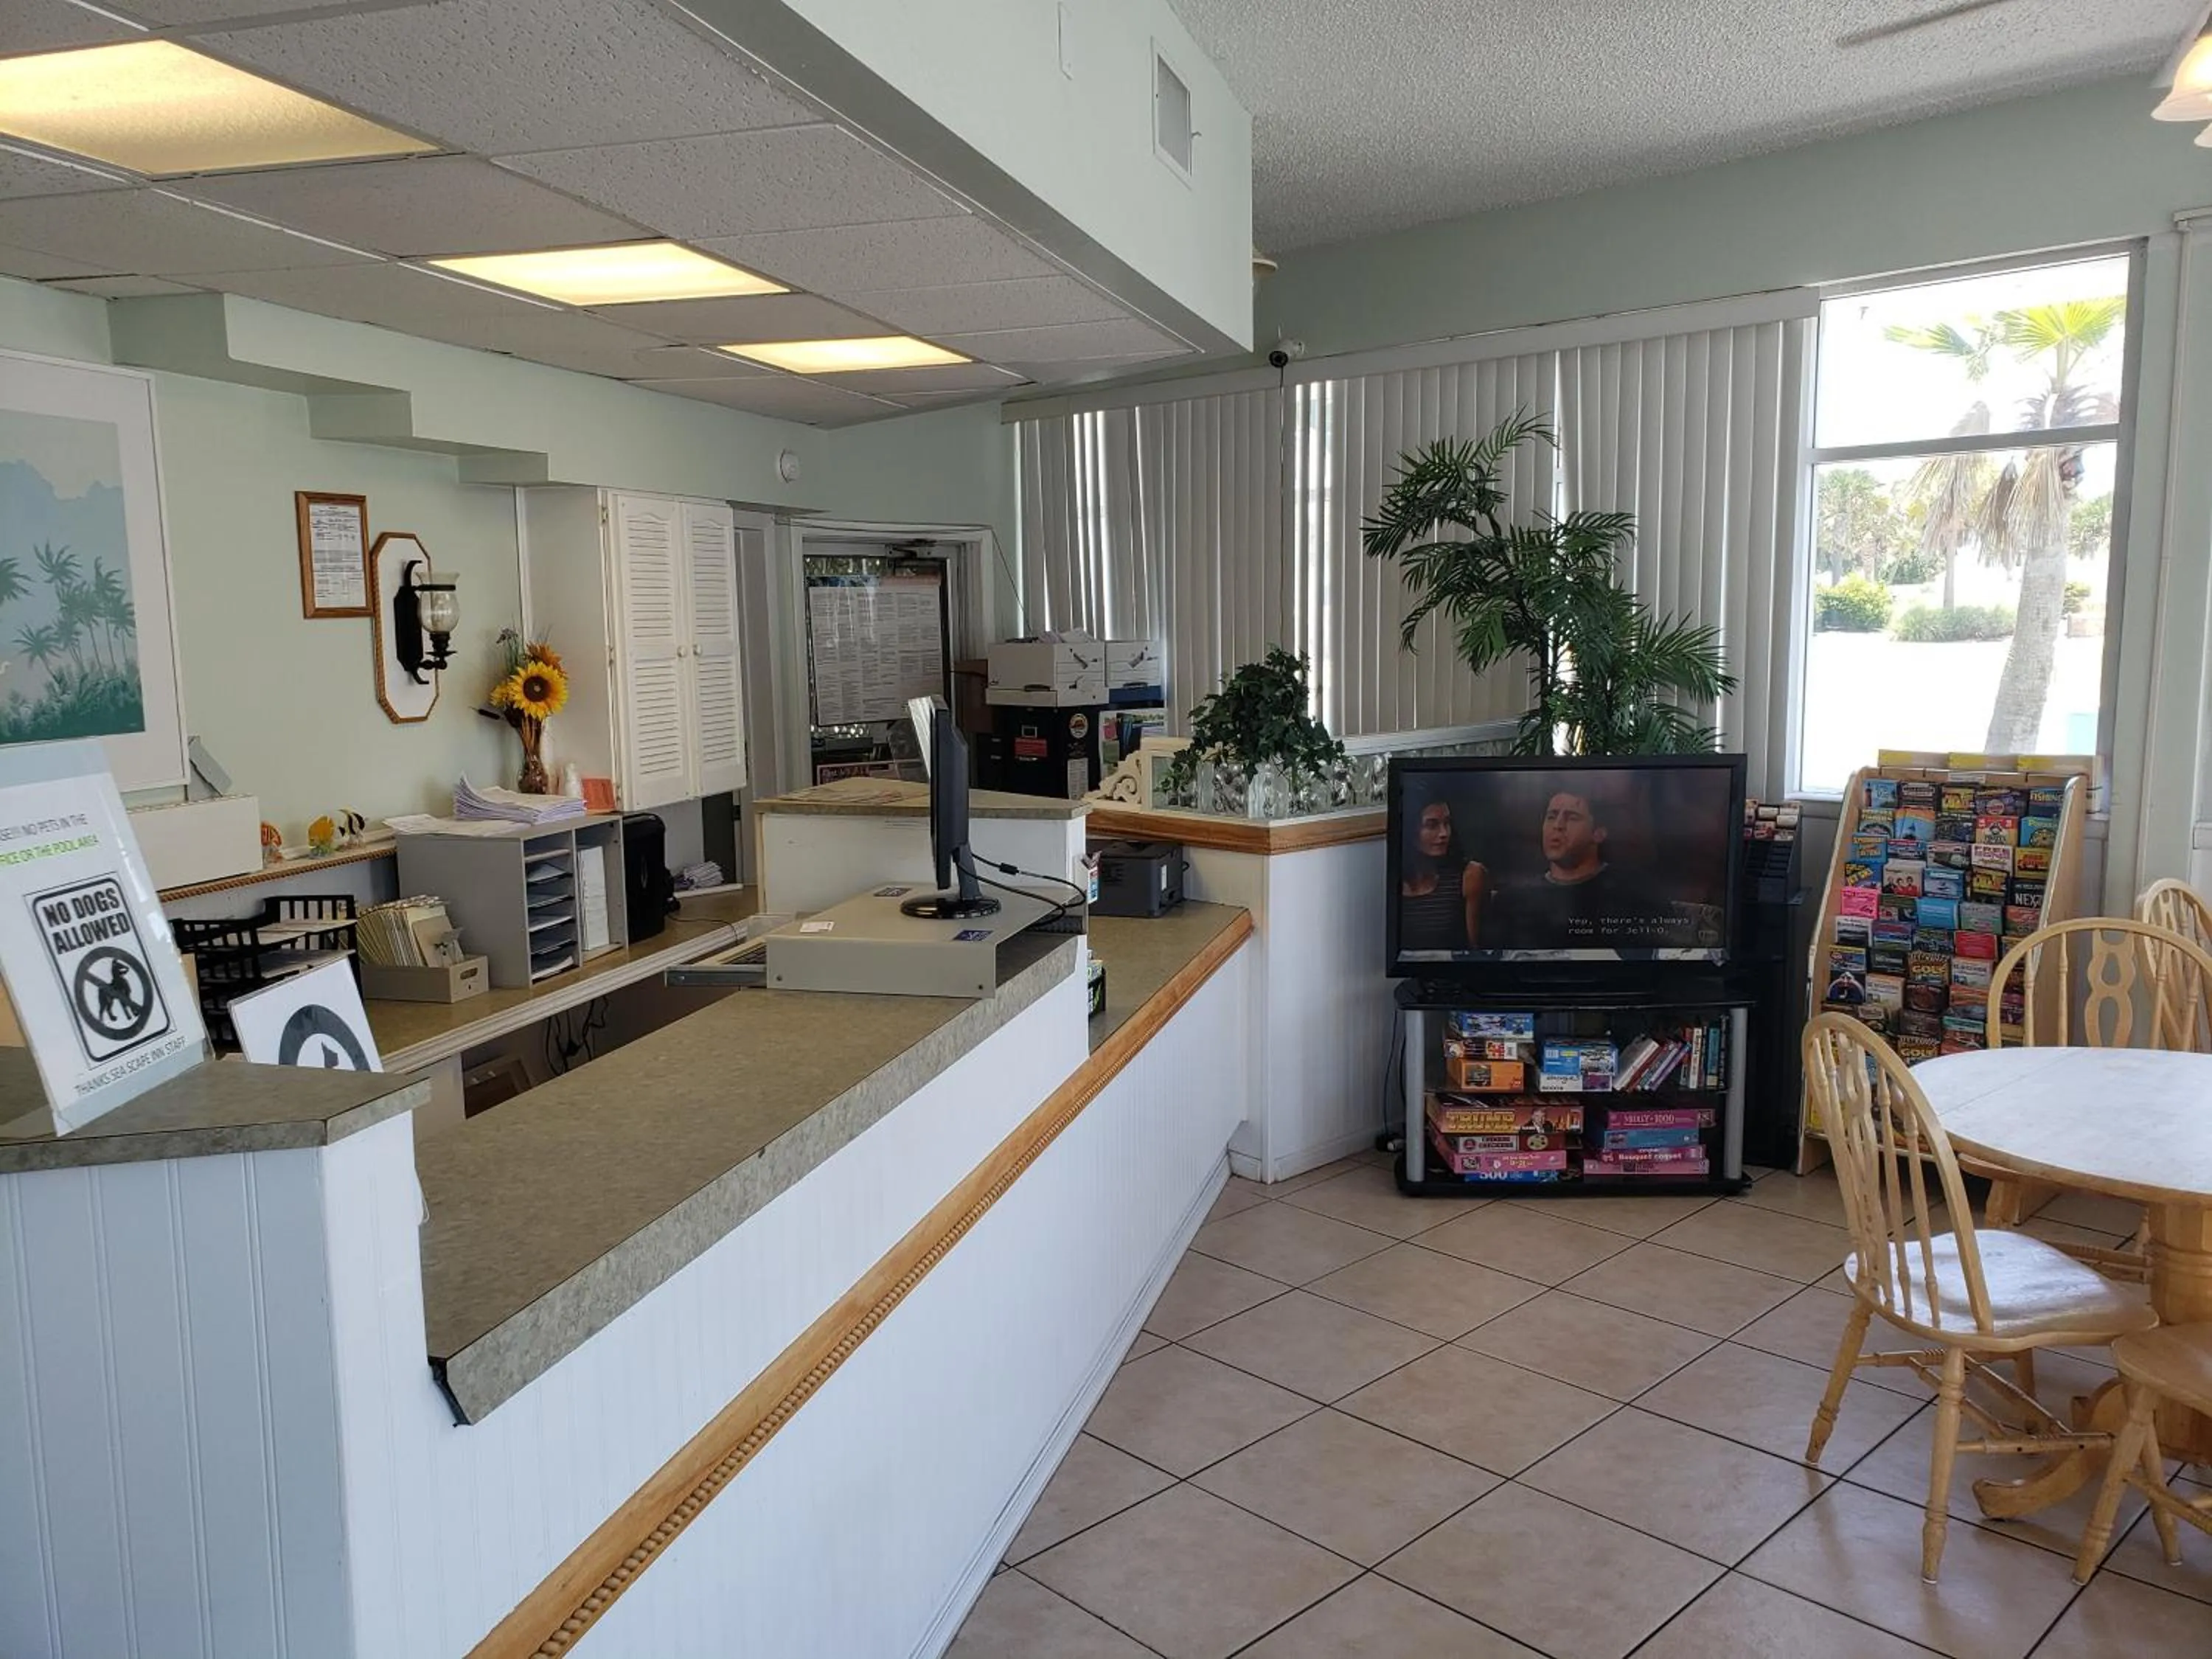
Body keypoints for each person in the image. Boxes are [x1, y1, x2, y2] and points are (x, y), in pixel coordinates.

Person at [1489, 787, 1672, 950]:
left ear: (1598, 834)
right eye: (1551, 816)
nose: (1558, 826)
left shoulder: (1635, 893)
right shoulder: (1511, 900)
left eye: (1572, 818)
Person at [1398, 798, 1489, 954]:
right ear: (1410, 830)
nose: (1444, 833)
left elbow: (1477, 952)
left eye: (1447, 823)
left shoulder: (1470, 875)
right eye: (1432, 825)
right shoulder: (1392, 880)